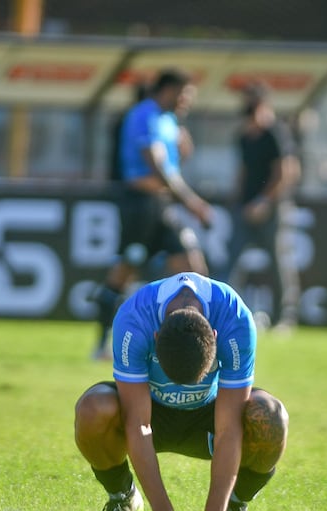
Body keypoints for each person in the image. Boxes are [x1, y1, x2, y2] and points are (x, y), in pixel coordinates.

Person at [74, 272, 288, 511]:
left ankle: (235, 506)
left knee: (270, 416)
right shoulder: (133, 318)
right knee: (93, 409)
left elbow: (229, 428)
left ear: (214, 335)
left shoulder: (235, 318)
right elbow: (138, 424)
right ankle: (122, 497)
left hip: (210, 412)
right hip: (150, 409)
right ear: (155, 336)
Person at [91, 69, 213, 359]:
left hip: (162, 206)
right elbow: (157, 166)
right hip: (140, 206)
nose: (187, 102)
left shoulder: (168, 120)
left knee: (193, 270)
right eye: (184, 95)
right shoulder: (144, 115)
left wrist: (183, 152)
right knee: (125, 271)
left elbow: (169, 165)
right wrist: (192, 202)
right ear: (169, 90)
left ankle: (195, 345)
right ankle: (102, 344)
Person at [229, 84, 302, 330]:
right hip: (245, 207)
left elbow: (286, 171)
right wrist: (240, 201)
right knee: (231, 260)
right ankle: (225, 315)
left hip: (270, 209)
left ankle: (285, 318)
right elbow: (243, 170)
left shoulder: (275, 132)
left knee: (278, 261)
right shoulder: (244, 134)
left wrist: (264, 201)